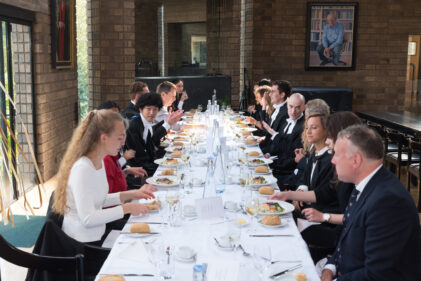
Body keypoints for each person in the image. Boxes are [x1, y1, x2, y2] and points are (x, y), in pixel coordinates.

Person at [321, 125, 421, 281]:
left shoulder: (388, 202)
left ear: (356, 160)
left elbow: (377, 274)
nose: (332, 160)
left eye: (336, 155)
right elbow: (346, 239)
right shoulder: (363, 184)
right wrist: (330, 267)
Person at [52, 110, 156, 244]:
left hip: (98, 234)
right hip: (82, 245)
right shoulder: (83, 168)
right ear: (103, 138)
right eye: (119, 138)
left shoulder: (99, 161)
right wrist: (127, 208)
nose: (123, 143)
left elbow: (99, 200)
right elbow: (88, 218)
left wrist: (132, 194)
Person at [270, 111, 361, 261]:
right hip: (330, 223)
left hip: (335, 230)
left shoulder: (346, 173)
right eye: (307, 128)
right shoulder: (319, 156)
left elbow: (353, 220)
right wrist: (289, 194)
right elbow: (324, 192)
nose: (327, 142)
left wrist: (324, 217)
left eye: (330, 137)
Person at [97, 101, 148, 192]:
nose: (123, 143)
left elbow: (114, 171)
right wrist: (124, 158)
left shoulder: (113, 139)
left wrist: (127, 170)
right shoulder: (102, 152)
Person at [125, 93, 180, 176]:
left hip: (148, 164)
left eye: (155, 109)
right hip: (138, 172)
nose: (152, 112)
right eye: (148, 109)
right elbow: (139, 157)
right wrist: (162, 166)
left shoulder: (145, 122)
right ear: (140, 109)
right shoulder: (133, 126)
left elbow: (151, 142)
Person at [263, 93, 306, 187]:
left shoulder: (304, 127)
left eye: (297, 107)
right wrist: (269, 154)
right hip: (276, 167)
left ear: (303, 108)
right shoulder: (287, 121)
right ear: (287, 105)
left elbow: (290, 152)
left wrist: (274, 134)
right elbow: (278, 145)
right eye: (291, 107)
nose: (293, 111)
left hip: (286, 175)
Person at [258, 80, 291, 153]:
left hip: (271, 152)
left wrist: (264, 152)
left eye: (272, 92)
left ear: (282, 95)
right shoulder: (276, 109)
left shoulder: (286, 113)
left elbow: (278, 140)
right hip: (266, 146)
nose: (269, 95)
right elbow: (266, 128)